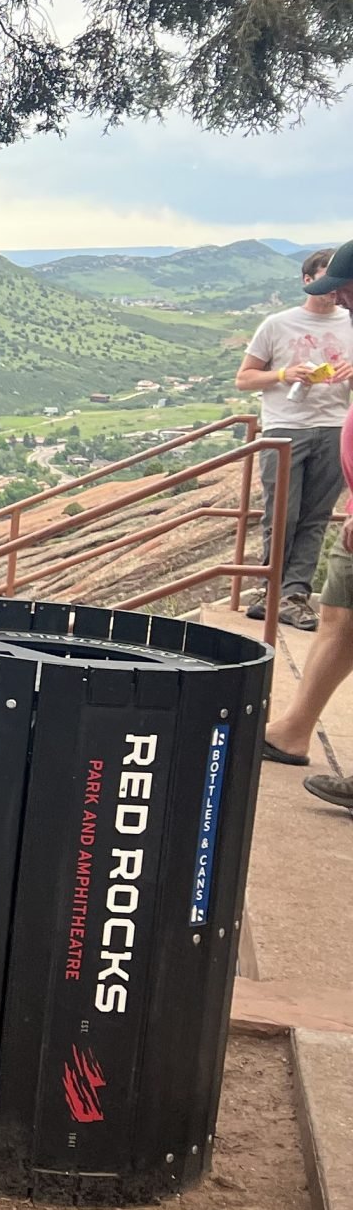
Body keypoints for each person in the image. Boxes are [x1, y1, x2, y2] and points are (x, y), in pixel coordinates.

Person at [265, 244, 353, 806]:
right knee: (338, 616)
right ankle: (292, 731)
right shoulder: (279, 324)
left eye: (345, 287)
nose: (339, 297)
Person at [236, 245, 352, 631]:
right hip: (285, 426)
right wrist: (285, 375)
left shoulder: (349, 322)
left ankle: (295, 596)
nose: (334, 292)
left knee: (316, 517)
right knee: (281, 514)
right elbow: (244, 378)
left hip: (334, 425)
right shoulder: (277, 324)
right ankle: (267, 593)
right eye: (325, 281)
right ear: (307, 280)